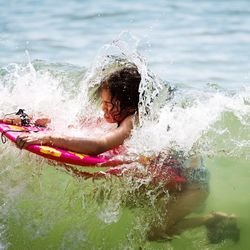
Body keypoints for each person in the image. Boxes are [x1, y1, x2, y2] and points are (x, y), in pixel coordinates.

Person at [3, 65, 239, 243]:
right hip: (168, 176)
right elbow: (79, 125)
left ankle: (212, 220)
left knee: (154, 232)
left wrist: (46, 138)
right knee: (110, 197)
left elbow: (99, 146)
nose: (103, 109)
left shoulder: (133, 121)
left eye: (109, 104)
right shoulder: (121, 116)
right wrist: (32, 121)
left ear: (128, 104)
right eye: (103, 103)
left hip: (191, 186)